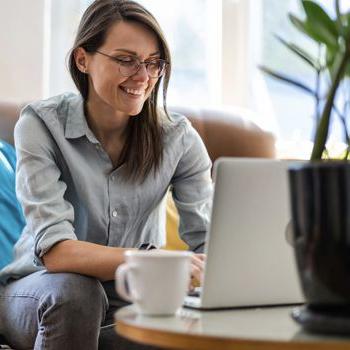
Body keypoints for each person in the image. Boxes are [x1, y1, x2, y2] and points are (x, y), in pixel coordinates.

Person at [0, 0, 212, 349]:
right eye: (126, 60)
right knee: (75, 292)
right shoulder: (40, 124)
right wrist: (151, 260)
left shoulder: (179, 138)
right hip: (38, 291)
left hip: (132, 299)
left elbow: (210, 244)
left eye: (152, 63)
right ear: (83, 59)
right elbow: (57, 253)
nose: (143, 77)